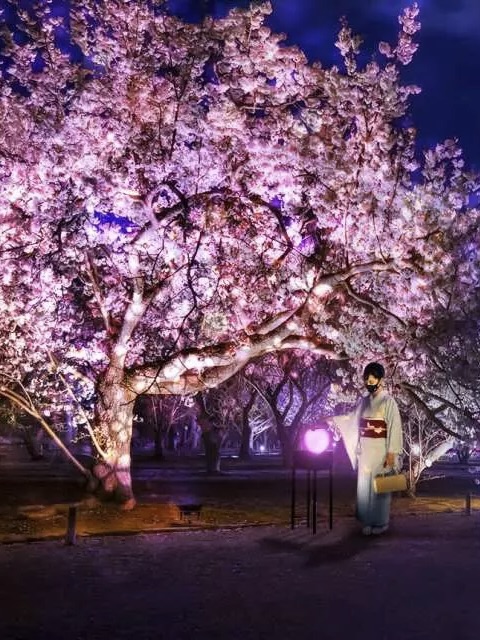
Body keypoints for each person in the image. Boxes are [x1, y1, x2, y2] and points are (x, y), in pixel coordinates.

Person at [328, 362, 403, 536]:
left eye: (373, 379)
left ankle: (381, 522)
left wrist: (392, 453)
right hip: (365, 451)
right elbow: (351, 419)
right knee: (364, 488)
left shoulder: (389, 402)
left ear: (380, 380)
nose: (369, 382)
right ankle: (366, 521)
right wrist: (333, 419)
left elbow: (394, 427)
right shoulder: (363, 402)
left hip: (381, 450)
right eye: (367, 379)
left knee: (380, 487)